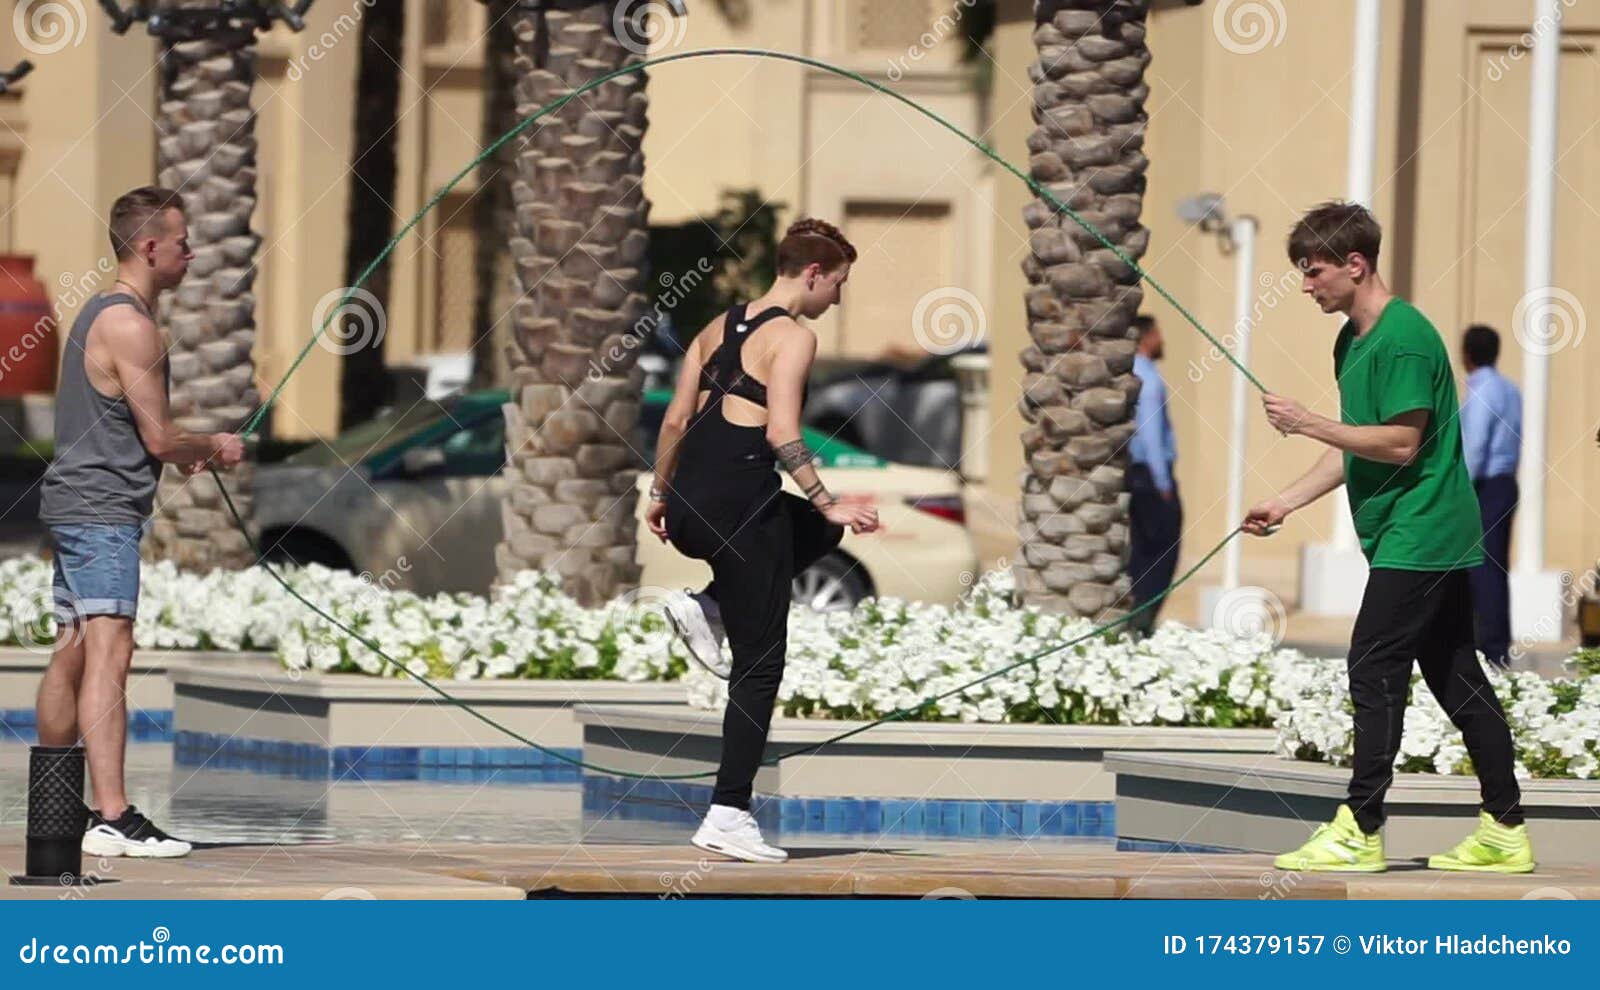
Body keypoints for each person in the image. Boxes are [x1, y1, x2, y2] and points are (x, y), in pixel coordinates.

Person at [1245, 201, 1532, 874]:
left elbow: (1401, 445)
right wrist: (1284, 500)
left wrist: (1308, 421)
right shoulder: (1351, 340)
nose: (1307, 286)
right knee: (1456, 676)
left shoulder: (1403, 338)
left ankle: (1361, 826)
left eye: (1314, 272)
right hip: (1407, 532)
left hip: (1424, 530)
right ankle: (1505, 830)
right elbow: (1360, 446)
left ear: (1355, 264)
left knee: (1373, 663)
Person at [647, 218, 880, 863]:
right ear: (812, 275)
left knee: (815, 530)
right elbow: (782, 432)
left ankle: (710, 605)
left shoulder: (714, 327)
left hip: (694, 504)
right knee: (760, 667)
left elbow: (673, 418)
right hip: (741, 508)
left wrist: (660, 496)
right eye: (838, 283)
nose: (837, 297)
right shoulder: (794, 338)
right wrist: (828, 495)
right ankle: (728, 812)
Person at [35, 186, 245, 858]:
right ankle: (114, 816)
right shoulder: (131, 325)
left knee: (72, 648)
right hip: (100, 511)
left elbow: (136, 431)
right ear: (150, 247)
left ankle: (57, 811)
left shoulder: (101, 314)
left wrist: (180, 448)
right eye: (183, 241)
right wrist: (212, 446)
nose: (192, 252)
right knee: (110, 648)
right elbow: (158, 438)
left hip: (76, 502)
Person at [1459, 324, 1522, 668]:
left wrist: (1459, 491)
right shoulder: (1510, 389)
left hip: (1484, 486)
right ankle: (1496, 647)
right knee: (1494, 567)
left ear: (1465, 353)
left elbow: (1476, 445)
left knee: (1481, 569)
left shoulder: (1482, 388)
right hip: (1505, 483)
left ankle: (1490, 651)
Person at [1126, 314, 1181, 634]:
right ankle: (1141, 619)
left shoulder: (1131, 372)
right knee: (1161, 552)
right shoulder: (1147, 378)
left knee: (1140, 549)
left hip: (1136, 475)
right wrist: (1163, 484)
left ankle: (1136, 615)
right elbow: (1151, 433)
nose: (1161, 340)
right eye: (1157, 333)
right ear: (1145, 337)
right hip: (1150, 476)